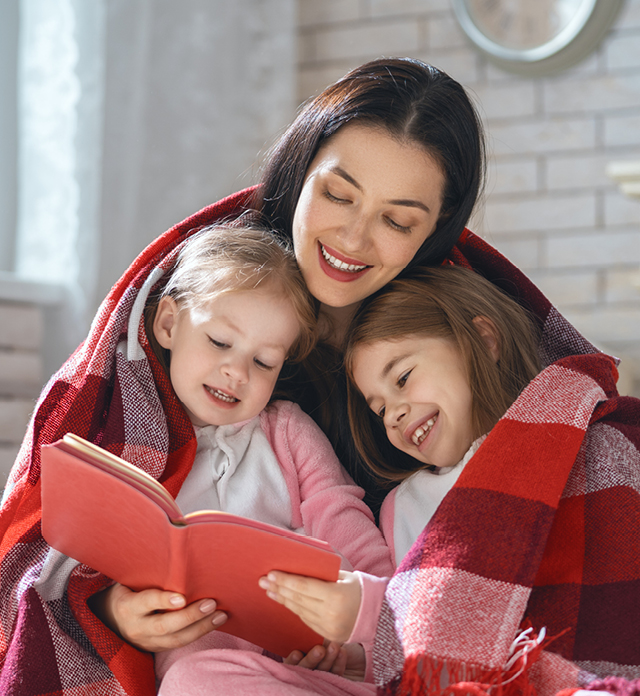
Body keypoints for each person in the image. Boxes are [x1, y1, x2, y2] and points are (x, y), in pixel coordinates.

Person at [1, 56, 636, 695]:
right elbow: (42, 557)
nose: (354, 237)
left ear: (433, 234)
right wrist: (111, 612)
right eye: (337, 194)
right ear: (300, 175)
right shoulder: (207, 298)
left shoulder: (444, 327)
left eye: (397, 220)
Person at [260, 266, 640, 695]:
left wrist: (371, 619)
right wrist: (358, 660)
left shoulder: (591, 442)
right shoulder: (402, 508)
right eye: (379, 409)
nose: (394, 414)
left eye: (402, 378)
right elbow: (419, 644)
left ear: (483, 339)